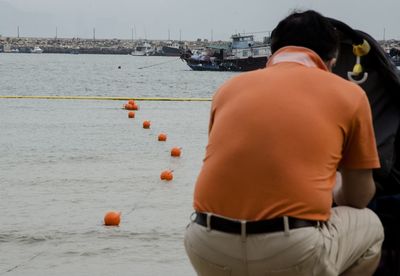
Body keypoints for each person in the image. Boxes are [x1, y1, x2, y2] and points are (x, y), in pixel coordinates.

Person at [184, 10, 384, 276]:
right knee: (371, 226)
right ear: (331, 60)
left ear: (273, 53)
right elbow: (359, 197)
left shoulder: (228, 89)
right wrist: (333, 187)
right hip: (291, 250)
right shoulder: (351, 94)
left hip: (205, 244)